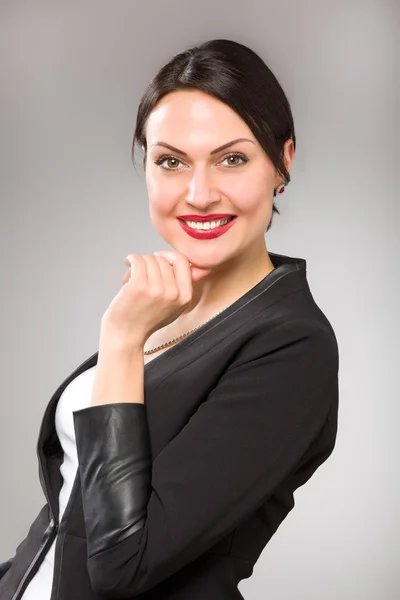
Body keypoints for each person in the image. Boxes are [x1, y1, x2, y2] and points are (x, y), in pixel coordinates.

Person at [0, 38, 339, 600]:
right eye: (171, 161)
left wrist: (122, 337)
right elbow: (69, 512)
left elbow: (120, 566)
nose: (199, 194)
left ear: (283, 162)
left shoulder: (291, 346)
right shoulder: (167, 306)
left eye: (232, 158)